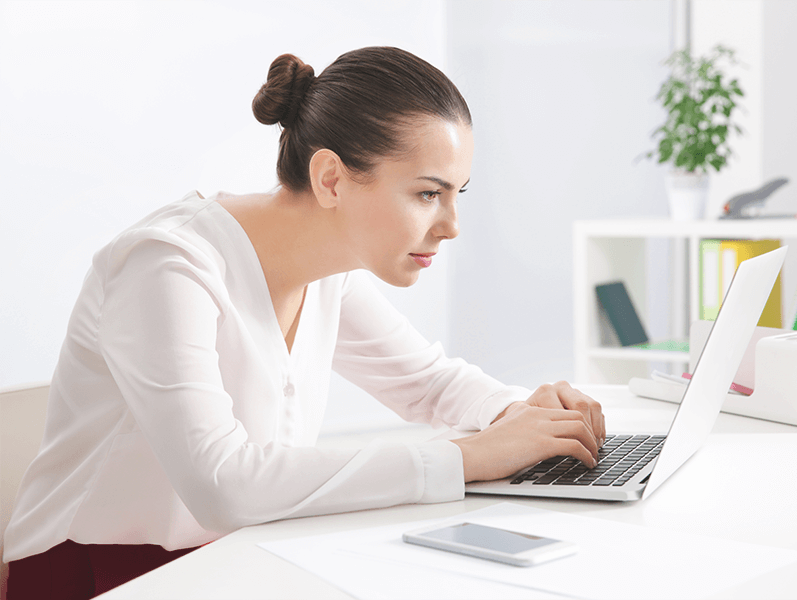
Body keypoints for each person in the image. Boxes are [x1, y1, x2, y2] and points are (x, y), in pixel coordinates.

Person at [3, 47, 605, 599]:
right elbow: (222, 484)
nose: (451, 225)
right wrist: (469, 457)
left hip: (233, 556)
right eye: (427, 194)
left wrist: (523, 416)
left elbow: (427, 382)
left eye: (456, 195)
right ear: (331, 178)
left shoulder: (328, 271)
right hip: (97, 575)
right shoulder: (168, 266)